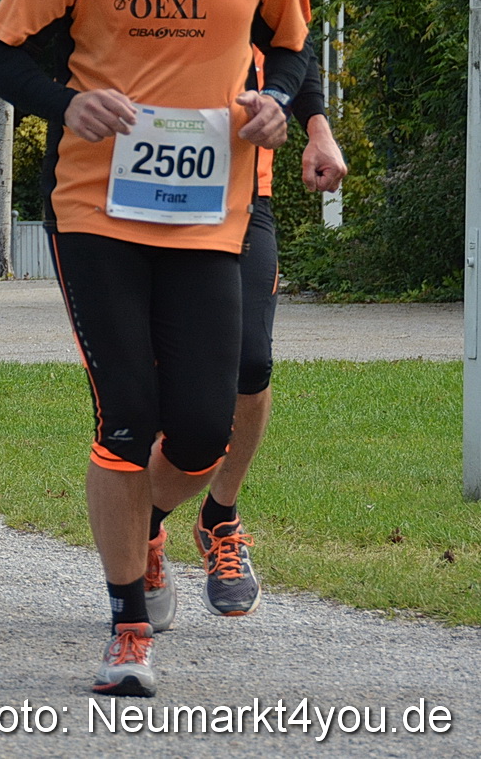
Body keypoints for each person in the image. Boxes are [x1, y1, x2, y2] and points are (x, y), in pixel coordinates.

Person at [0, 0, 311, 698]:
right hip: (99, 209)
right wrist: (63, 102)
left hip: (213, 214)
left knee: (201, 431)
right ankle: (129, 623)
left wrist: (280, 103)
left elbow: (291, 47)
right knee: (129, 418)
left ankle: (163, 521)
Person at [145, 66, 346, 627]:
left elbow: (293, 49)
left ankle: (219, 516)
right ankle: (145, 533)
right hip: (143, 195)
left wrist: (318, 129)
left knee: (252, 359)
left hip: (241, 197)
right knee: (164, 376)